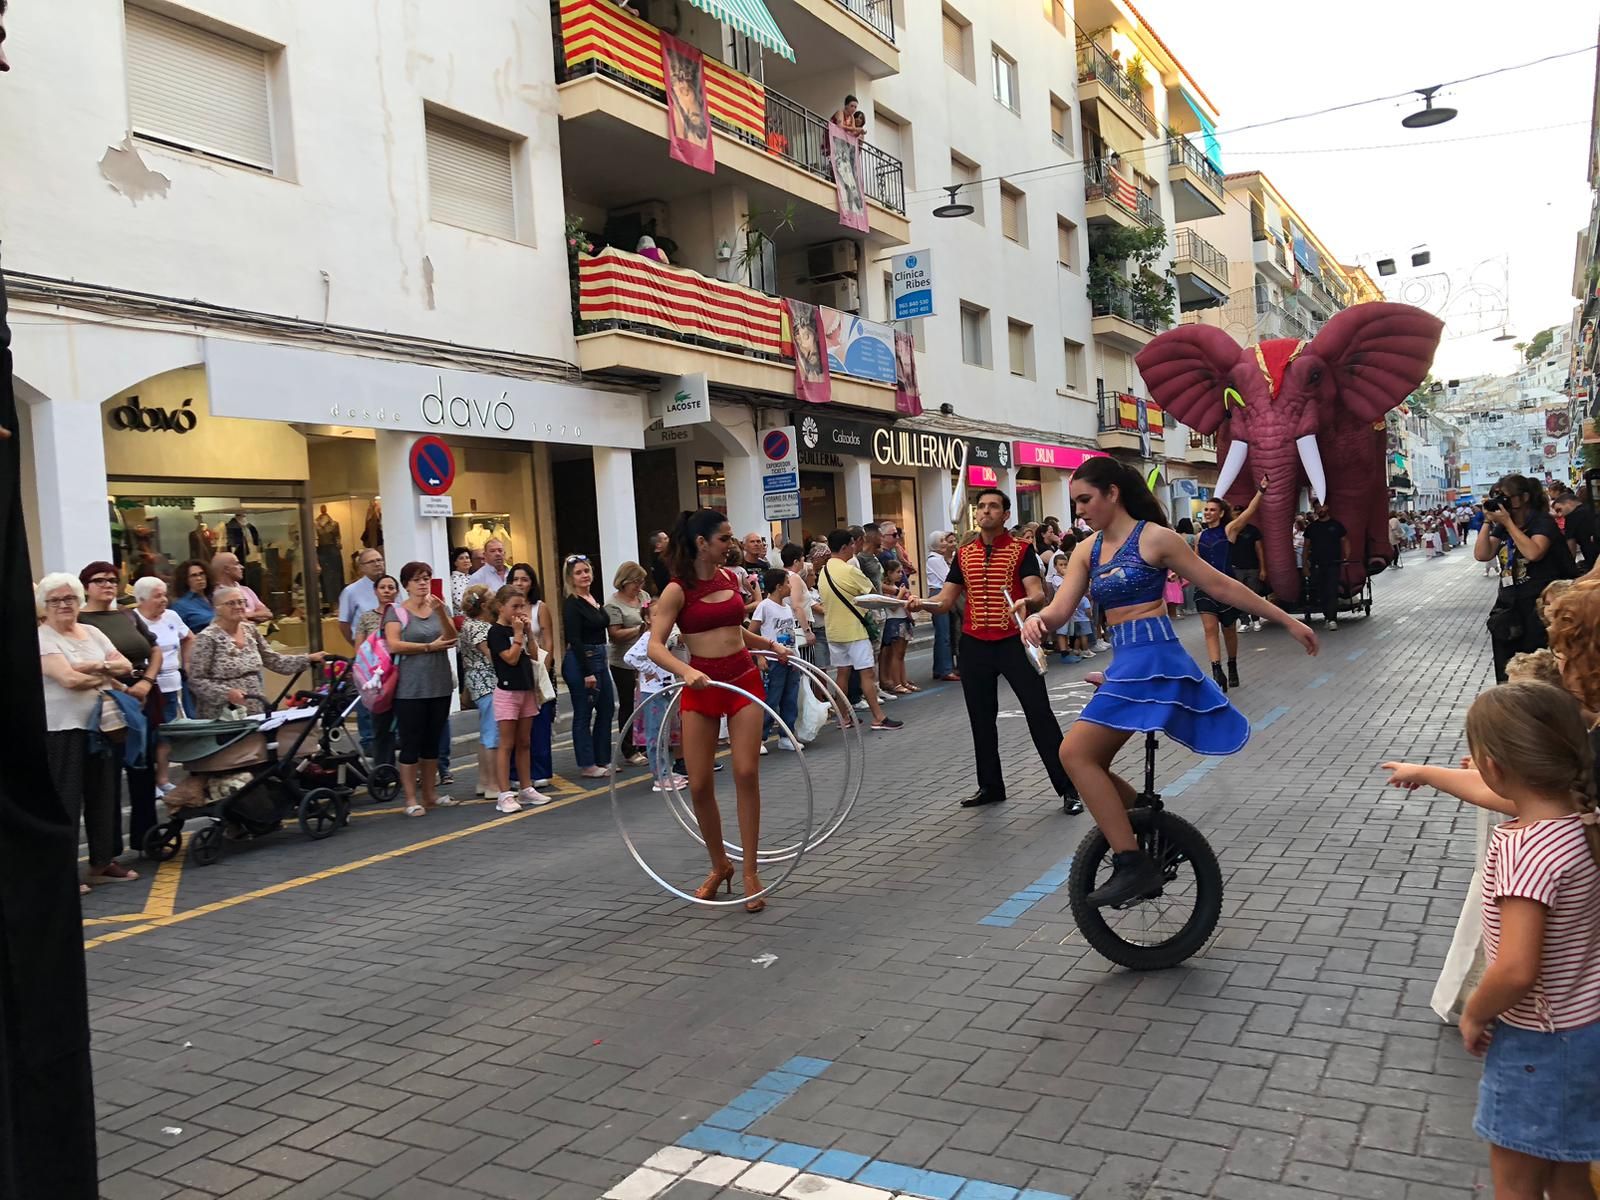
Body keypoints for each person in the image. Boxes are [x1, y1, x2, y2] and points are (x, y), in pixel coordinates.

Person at [1023, 457, 1317, 905]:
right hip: (1126, 662)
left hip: (1156, 658)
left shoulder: (1156, 538)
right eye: (1075, 501)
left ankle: (1131, 861)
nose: (1079, 510)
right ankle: (1144, 822)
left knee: (1073, 754)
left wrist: (1287, 620)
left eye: (1085, 499)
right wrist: (1037, 620)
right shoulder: (1086, 550)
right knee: (1085, 761)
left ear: (1112, 494)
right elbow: (1061, 609)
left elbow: (1220, 586)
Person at [1380, 682, 1600, 1197]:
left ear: (1496, 767)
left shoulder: (1528, 852)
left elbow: (1517, 969)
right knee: (1567, 1172)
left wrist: (1477, 1011)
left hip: (1537, 1043)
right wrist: (1428, 773)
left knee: (1517, 1183)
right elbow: (1495, 792)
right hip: (1584, 1029)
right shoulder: (1580, 818)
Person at [647, 509, 791, 912]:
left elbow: (736, 632)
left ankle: (749, 870)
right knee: (698, 784)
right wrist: (686, 670)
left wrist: (769, 646)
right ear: (701, 543)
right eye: (725, 539)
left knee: (746, 771)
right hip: (701, 686)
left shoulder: (731, 579)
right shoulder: (677, 589)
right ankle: (719, 864)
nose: (731, 545)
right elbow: (655, 645)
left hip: (742, 680)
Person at [910, 489, 1080, 811]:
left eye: (993, 507)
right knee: (981, 718)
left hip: (1013, 641)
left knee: (1039, 713)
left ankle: (1068, 788)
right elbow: (945, 601)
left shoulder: (1021, 551)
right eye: (982, 507)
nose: (986, 511)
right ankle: (990, 786)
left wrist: (1027, 602)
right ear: (976, 514)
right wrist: (921, 604)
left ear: (1005, 515)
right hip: (974, 645)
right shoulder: (963, 554)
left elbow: (1037, 594)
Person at [37, 573, 138, 891]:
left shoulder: (92, 632)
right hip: (62, 728)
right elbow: (67, 680)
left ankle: (101, 862)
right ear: (45, 605)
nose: (63, 605)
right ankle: (62, 869)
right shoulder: (42, 637)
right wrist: (103, 670)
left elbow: (125, 666)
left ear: (79, 600)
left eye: (69, 598)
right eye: (55, 600)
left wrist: (92, 668)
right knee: (66, 799)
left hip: (101, 725)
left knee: (104, 795)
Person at [78, 561, 163, 852]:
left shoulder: (128, 615)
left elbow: (154, 649)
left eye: (112, 580)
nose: (108, 585)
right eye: (99, 580)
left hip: (145, 693)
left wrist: (147, 682)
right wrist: (127, 688)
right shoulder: (80, 621)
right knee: (108, 775)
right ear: (86, 586)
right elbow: (90, 666)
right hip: (111, 699)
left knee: (144, 768)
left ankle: (148, 839)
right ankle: (108, 850)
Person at [1476, 475, 1572, 682]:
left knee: (1538, 669)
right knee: (1509, 668)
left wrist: (1508, 523)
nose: (1501, 501)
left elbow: (1534, 552)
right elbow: (1482, 554)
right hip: (1510, 605)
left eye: (1505, 496)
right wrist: (1487, 520)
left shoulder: (1541, 522)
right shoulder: (1502, 525)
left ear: (1524, 497)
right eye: (1497, 496)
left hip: (1540, 605)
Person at [384, 562, 456, 817]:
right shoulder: (397, 612)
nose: (422, 583)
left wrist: (442, 613)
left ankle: (430, 794)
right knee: (411, 742)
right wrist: (427, 648)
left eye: (426, 578)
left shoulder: (439, 607)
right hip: (409, 688)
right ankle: (411, 799)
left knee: (432, 742)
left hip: (439, 684)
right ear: (406, 584)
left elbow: (451, 638)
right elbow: (393, 644)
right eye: (416, 580)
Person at [188, 586, 323, 719]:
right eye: (231, 603)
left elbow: (274, 660)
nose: (238, 606)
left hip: (255, 709)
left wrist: (308, 659)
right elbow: (196, 680)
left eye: (241, 602)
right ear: (217, 608)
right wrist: (226, 694)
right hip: (223, 714)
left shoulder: (250, 630)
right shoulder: (207, 638)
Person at [820, 528, 901, 732]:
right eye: (852, 545)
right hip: (855, 630)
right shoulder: (849, 570)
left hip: (834, 631)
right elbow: (872, 595)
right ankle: (878, 718)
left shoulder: (824, 570)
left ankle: (844, 717)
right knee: (866, 674)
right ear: (846, 546)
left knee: (842, 674)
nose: (854, 549)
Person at [1191, 482, 1267, 692]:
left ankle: (1231, 665)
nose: (1207, 512)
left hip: (1226, 587)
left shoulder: (1229, 530)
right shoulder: (1200, 536)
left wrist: (1261, 490)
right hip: (1204, 588)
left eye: (1212, 510)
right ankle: (1216, 671)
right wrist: (1181, 576)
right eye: (1206, 509)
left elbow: (1250, 511)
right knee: (1209, 629)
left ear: (1221, 513)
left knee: (1229, 630)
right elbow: (1194, 562)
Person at [487, 584, 553, 812]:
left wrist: (528, 634)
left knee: (525, 741)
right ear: (500, 607)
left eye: (522, 606)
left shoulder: (521, 630)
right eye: (514, 606)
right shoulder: (495, 632)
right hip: (507, 692)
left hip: (526, 690)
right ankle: (504, 793)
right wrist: (516, 635)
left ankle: (526, 788)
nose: (519, 611)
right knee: (507, 743)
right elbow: (511, 659)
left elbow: (534, 656)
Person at [132, 575, 192, 798]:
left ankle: (163, 780)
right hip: (147, 688)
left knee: (167, 734)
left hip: (172, 685)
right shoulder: (133, 619)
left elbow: (189, 638)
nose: (164, 600)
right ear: (142, 599)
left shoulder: (172, 616)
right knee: (148, 735)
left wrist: (186, 664)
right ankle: (148, 782)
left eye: (164, 594)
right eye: (158, 596)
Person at [505, 563, 558, 788]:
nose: (520, 583)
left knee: (541, 723)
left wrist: (543, 667)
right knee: (517, 725)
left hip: (539, 670)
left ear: (532, 582)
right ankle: (516, 774)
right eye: (515, 579)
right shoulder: (505, 608)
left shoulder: (540, 607)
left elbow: (548, 638)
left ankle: (540, 771)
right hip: (515, 671)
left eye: (524, 579)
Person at [562, 554, 615, 779]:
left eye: (586, 571)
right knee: (584, 712)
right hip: (583, 658)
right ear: (570, 578)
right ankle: (587, 764)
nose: (584, 575)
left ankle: (602, 758)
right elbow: (574, 639)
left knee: (607, 708)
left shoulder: (592, 598)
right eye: (578, 573)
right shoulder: (572, 604)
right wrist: (587, 672)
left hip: (600, 655)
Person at [624, 624, 687, 793]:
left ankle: (667, 771)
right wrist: (650, 670)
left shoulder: (662, 638)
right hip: (653, 692)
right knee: (656, 735)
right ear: (647, 619)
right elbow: (629, 657)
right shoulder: (648, 638)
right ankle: (660, 776)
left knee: (664, 733)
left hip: (664, 690)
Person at [457, 585, 501, 801]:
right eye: (492, 596)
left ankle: (484, 780)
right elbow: (491, 655)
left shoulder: (470, 624)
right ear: (484, 604)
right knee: (493, 733)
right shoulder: (480, 628)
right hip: (487, 682)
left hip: (477, 681)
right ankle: (493, 783)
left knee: (486, 733)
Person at [606, 562, 651, 768]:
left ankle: (643, 742)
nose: (639, 586)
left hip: (646, 658)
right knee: (628, 704)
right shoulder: (613, 605)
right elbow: (615, 635)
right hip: (623, 661)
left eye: (641, 582)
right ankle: (628, 748)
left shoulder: (644, 597)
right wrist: (639, 629)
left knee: (645, 702)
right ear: (624, 581)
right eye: (635, 582)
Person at [752, 568, 802, 750]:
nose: (790, 586)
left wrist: (796, 657)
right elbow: (752, 633)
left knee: (790, 699)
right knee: (771, 699)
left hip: (790, 659)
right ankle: (760, 738)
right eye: (787, 583)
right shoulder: (764, 606)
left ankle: (786, 735)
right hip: (773, 660)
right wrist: (759, 655)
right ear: (779, 586)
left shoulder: (787, 608)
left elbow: (791, 634)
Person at [354, 574, 401, 765]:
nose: (387, 591)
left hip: (399, 674)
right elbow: (359, 648)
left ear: (397, 592)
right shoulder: (366, 617)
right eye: (383, 587)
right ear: (375, 591)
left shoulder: (402, 614)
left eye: (391, 587)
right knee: (381, 725)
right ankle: (384, 768)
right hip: (377, 678)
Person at [1303, 501, 1350, 632]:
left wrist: (1346, 557)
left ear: (1327, 508)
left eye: (1322, 507)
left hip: (1333, 564)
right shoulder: (1312, 528)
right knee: (1321, 591)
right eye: (1317, 508)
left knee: (1331, 590)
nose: (1320, 510)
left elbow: (1345, 540)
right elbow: (1306, 547)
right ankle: (1327, 616)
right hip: (1317, 565)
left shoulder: (1336, 525)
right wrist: (1305, 565)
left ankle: (1332, 619)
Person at [877, 559, 914, 695]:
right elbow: (892, 606)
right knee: (895, 654)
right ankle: (896, 682)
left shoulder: (897, 587)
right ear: (889, 573)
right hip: (893, 621)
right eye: (898, 572)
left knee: (901, 654)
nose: (900, 575)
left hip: (903, 619)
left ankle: (903, 681)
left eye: (901, 572)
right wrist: (900, 594)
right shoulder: (887, 589)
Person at [925, 530, 958, 682]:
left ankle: (941, 668)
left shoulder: (939, 559)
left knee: (944, 632)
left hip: (940, 591)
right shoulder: (936, 559)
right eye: (943, 540)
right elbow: (948, 577)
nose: (946, 543)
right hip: (939, 592)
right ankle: (945, 669)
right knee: (943, 633)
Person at [1230, 507, 1267, 633]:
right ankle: (1244, 621)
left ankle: (1256, 619)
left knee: (1253, 595)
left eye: (1237, 515)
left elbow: (1259, 550)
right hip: (1236, 568)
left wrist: (1262, 569)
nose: (1235, 518)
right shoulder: (1231, 530)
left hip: (1252, 567)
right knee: (1239, 597)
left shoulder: (1253, 530)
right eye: (1233, 515)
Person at [209, 552, 271, 622]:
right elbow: (230, 620)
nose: (242, 567)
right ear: (226, 569)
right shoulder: (216, 595)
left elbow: (267, 613)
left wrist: (247, 615)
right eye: (237, 564)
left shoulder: (246, 590)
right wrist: (256, 614)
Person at [1553, 489, 1597, 569]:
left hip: (1594, 562)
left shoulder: (1571, 518)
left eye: (1559, 510)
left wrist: (1569, 569)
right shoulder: (1593, 508)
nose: (1560, 515)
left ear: (1569, 503)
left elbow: (1571, 549)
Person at [171, 558, 215, 633]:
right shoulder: (180, 606)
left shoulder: (216, 597)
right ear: (185, 580)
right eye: (193, 575)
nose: (199, 578)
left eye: (201, 574)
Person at [448, 546, 474, 611]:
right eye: (461, 558)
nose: (465, 561)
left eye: (467, 558)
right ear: (455, 563)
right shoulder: (454, 579)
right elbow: (460, 602)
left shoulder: (472, 577)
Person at [648, 530, 672, 595]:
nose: (669, 540)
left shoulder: (656, 559)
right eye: (665, 539)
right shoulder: (661, 560)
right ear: (658, 545)